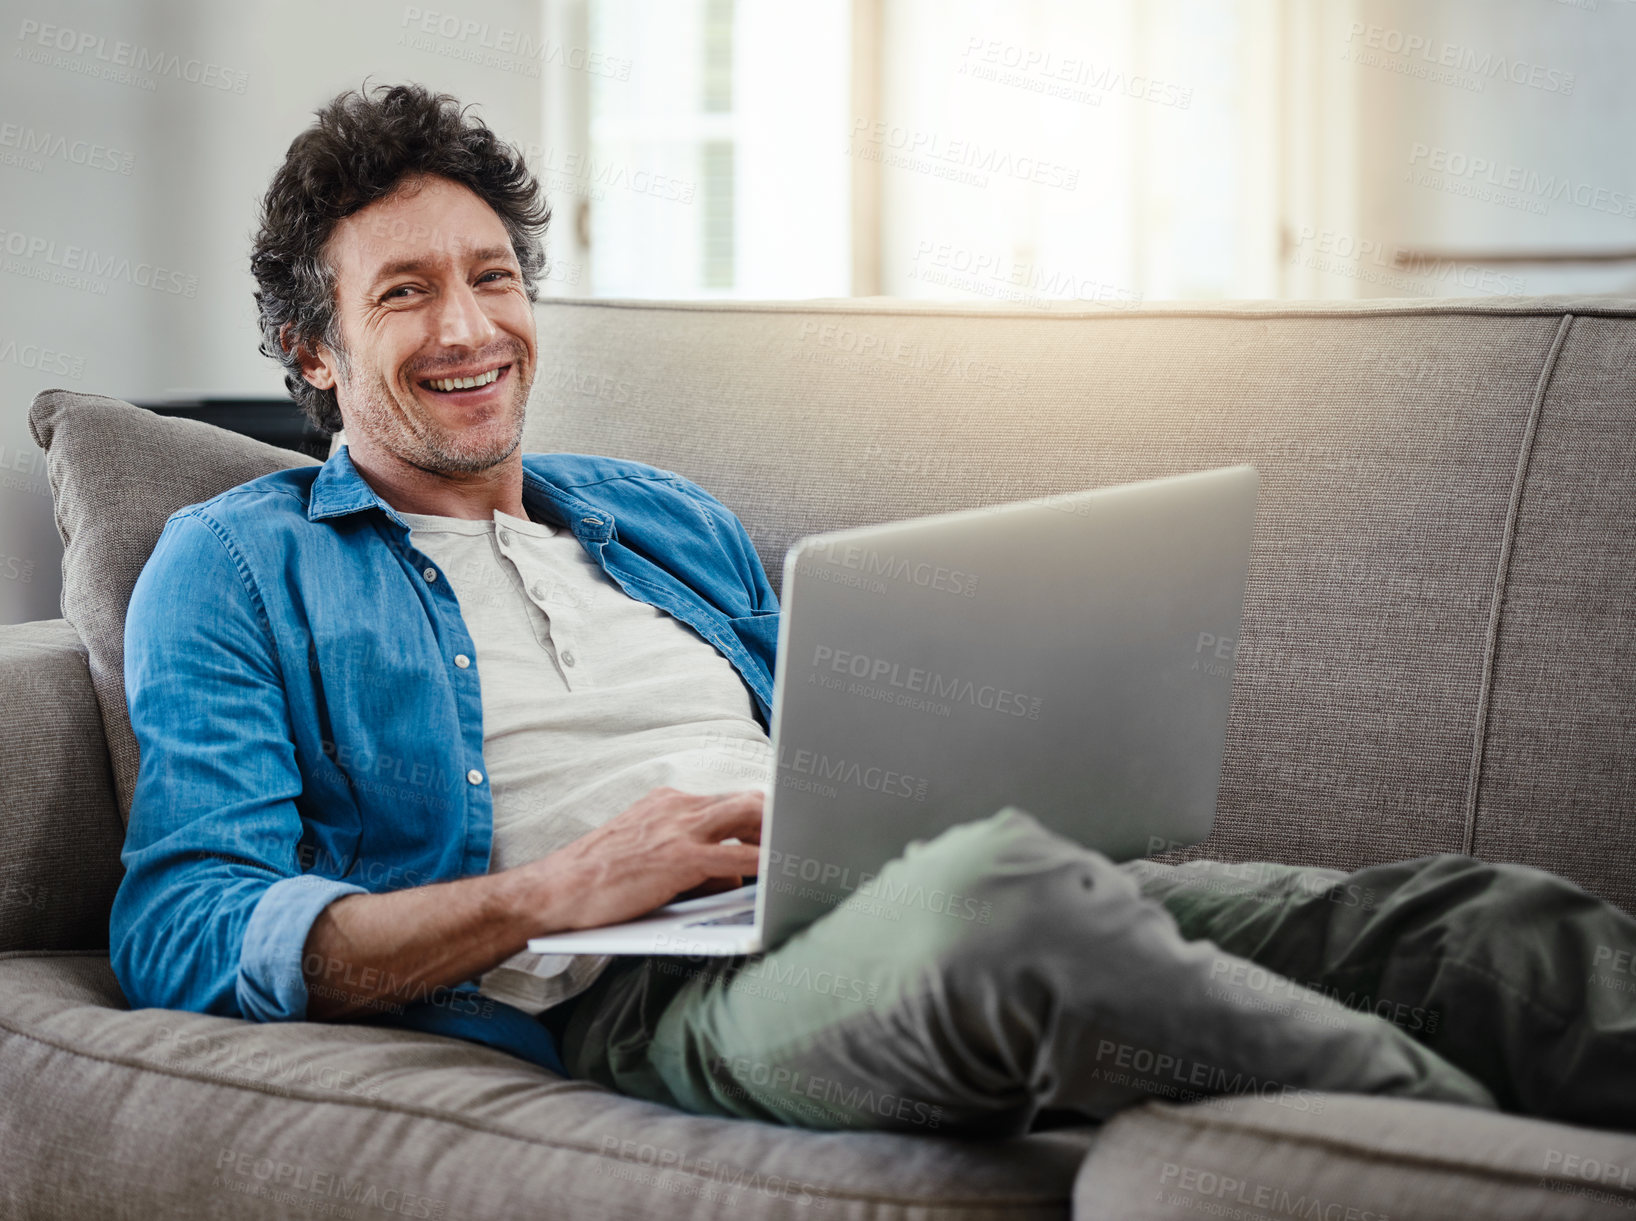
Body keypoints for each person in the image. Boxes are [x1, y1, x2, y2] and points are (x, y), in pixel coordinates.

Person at [110, 82, 1636, 1137]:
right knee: (1006, 911)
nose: (469, 327)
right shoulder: (236, 564)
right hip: (658, 993)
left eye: (494, 277)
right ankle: (1491, 1170)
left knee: (1471, 915)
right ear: (310, 354)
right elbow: (184, 924)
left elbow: (848, 736)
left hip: (885, 889)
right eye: (401, 295)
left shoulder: (659, 513)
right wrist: (553, 890)